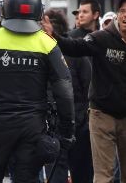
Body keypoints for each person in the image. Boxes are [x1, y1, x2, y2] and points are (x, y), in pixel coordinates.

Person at [0, 0, 75, 183]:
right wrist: (66, 132)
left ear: (4, 10)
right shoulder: (47, 44)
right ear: (38, 12)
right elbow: (65, 92)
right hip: (32, 129)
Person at [42, 0, 126, 183]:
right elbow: (75, 47)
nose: (125, 16)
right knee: (104, 176)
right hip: (101, 114)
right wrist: (54, 36)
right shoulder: (101, 38)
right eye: (122, 11)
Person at [44, 9, 93, 183]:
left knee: (56, 170)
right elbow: (88, 85)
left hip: (52, 123)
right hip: (78, 122)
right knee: (82, 173)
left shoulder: (41, 53)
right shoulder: (76, 52)